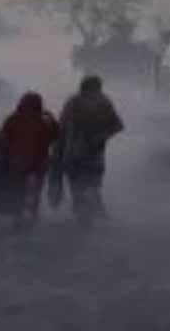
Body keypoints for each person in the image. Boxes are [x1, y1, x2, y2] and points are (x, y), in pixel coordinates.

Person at [48, 75, 124, 227]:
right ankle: (89, 212)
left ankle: (84, 213)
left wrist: (58, 148)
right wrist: (101, 136)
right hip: (91, 153)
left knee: (80, 184)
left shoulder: (75, 101)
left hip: (77, 152)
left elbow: (62, 126)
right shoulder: (102, 102)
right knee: (90, 184)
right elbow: (117, 126)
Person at [0, 91, 59, 229]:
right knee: (31, 193)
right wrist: (51, 118)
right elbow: (56, 136)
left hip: (18, 164)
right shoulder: (42, 121)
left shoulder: (14, 119)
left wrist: (0, 161)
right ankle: (27, 218)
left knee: (19, 191)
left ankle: (17, 217)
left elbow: (2, 142)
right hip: (34, 165)